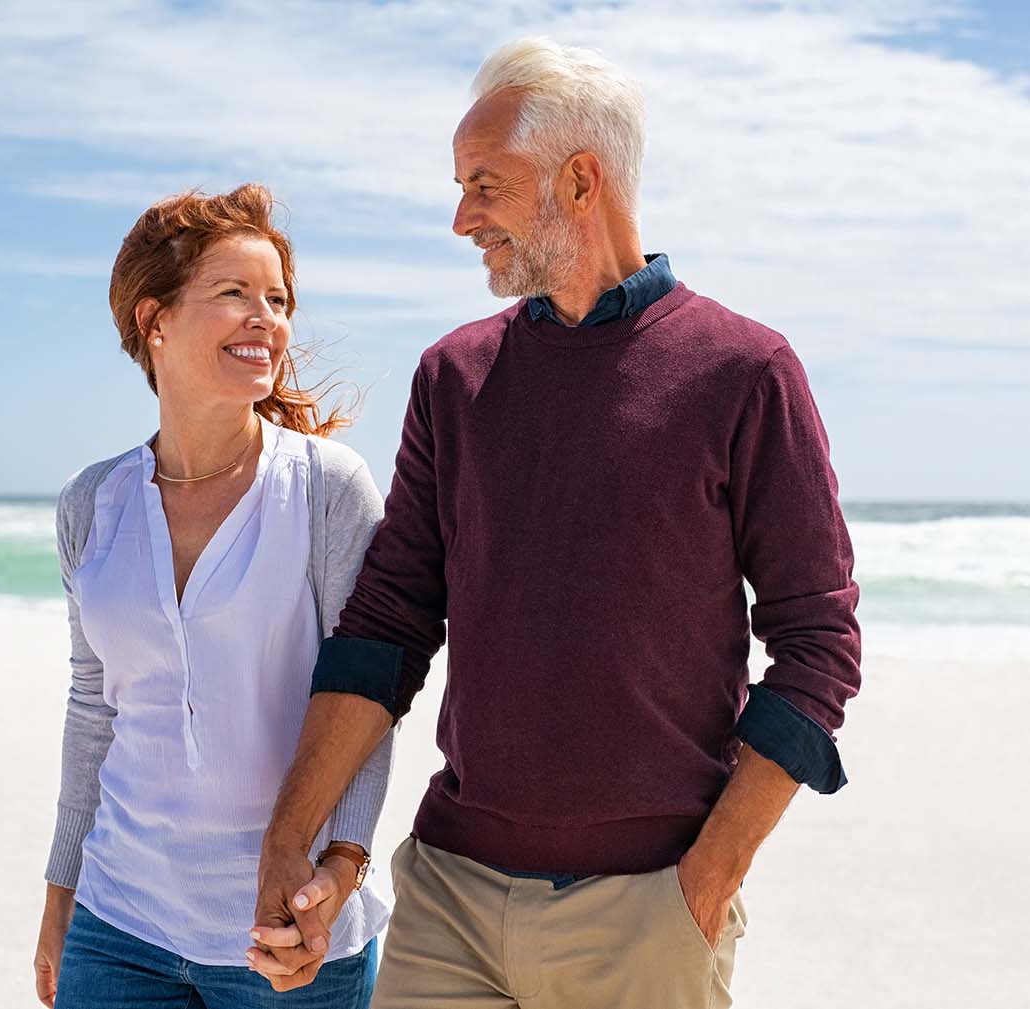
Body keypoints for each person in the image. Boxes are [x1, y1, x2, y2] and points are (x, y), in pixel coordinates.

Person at [247, 37, 862, 1008]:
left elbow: (817, 642)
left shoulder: (743, 374)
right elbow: (385, 627)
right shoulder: (453, 377)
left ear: (580, 180)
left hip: (644, 913)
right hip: (447, 902)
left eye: (483, 185)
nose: (460, 219)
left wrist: (705, 880)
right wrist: (292, 840)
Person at [33, 184, 394, 1009]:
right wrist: (61, 893)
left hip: (286, 934)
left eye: (277, 298)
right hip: (117, 919)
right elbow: (94, 707)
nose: (265, 317)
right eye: (234, 293)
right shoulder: (91, 502)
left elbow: (369, 699)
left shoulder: (326, 488)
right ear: (154, 320)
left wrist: (341, 869)